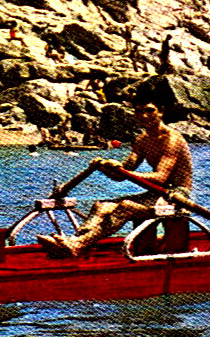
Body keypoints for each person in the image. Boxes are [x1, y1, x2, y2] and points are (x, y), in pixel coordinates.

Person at [37, 101, 193, 259]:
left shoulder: (172, 139)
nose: (144, 115)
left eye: (149, 110)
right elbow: (120, 175)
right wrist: (104, 167)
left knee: (125, 206)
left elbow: (160, 177)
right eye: (139, 111)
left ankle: (78, 245)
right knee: (101, 206)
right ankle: (74, 241)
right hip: (156, 194)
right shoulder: (142, 140)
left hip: (177, 195)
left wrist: (124, 171)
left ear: (161, 111)